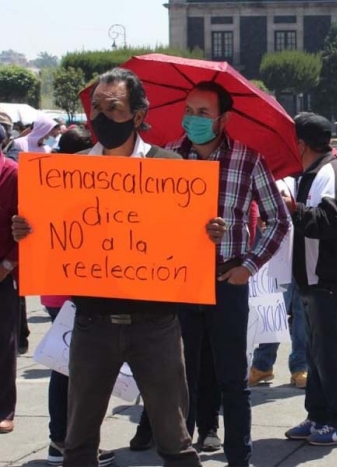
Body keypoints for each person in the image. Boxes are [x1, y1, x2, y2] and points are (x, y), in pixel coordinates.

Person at [12, 68, 204, 467]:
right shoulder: (71, 171)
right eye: (95, 107)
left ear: (137, 115)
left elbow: (186, 238)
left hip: (156, 325)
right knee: (78, 440)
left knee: (175, 438)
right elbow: (54, 235)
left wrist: (208, 233)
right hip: (92, 323)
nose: (101, 117)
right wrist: (26, 230)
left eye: (112, 108)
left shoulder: (171, 168)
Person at [165, 80, 289, 466]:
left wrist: (248, 266)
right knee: (176, 381)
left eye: (203, 113)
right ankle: (180, 455)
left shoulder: (248, 160)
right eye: (189, 111)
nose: (194, 120)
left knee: (233, 380)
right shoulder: (166, 157)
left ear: (224, 118)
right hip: (179, 283)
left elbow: (277, 220)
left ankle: (239, 457)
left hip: (225, 282)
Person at [283, 113, 337, 446]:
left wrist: (295, 210)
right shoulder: (315, 173)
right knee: (319, 352)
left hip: (332, 281)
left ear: (301, 144)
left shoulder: (330, 174)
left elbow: (332, 222)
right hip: (317, 280)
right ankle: (319, 415)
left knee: (330, 352)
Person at [37, 127, 115, 466]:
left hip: (59, 291)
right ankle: (63, 442)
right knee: (70, 370)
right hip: (71, 291)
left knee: (69, 368)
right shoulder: (68, 186)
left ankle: (67, 439)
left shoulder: (48, 184)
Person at [250, 178, 309, 390]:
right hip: (273, 251)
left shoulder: (307, 176)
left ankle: (300, 366)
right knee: (271, 309)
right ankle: (263, 364)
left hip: (301, 249)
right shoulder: (266, 175)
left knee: (301, 312)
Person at [0, 131, 18, 435]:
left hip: (2, 274)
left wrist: (6, 264)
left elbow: (27, 224)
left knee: (3, 342)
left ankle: (4, 409)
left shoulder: (12, 174)